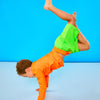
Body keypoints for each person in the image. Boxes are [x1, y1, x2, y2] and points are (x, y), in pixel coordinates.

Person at [16, 0, 90, 100]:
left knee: (71, 19)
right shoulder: (38, 68)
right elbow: (45, 77)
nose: (28, 77)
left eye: (26, 76)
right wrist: (45, 87)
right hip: (64, 49)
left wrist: (40, 97)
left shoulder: (37, 69)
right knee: (86, 46)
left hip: (61, 46)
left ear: (27, 70)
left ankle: (49, 6)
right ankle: (74, 27)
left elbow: (42, 84)